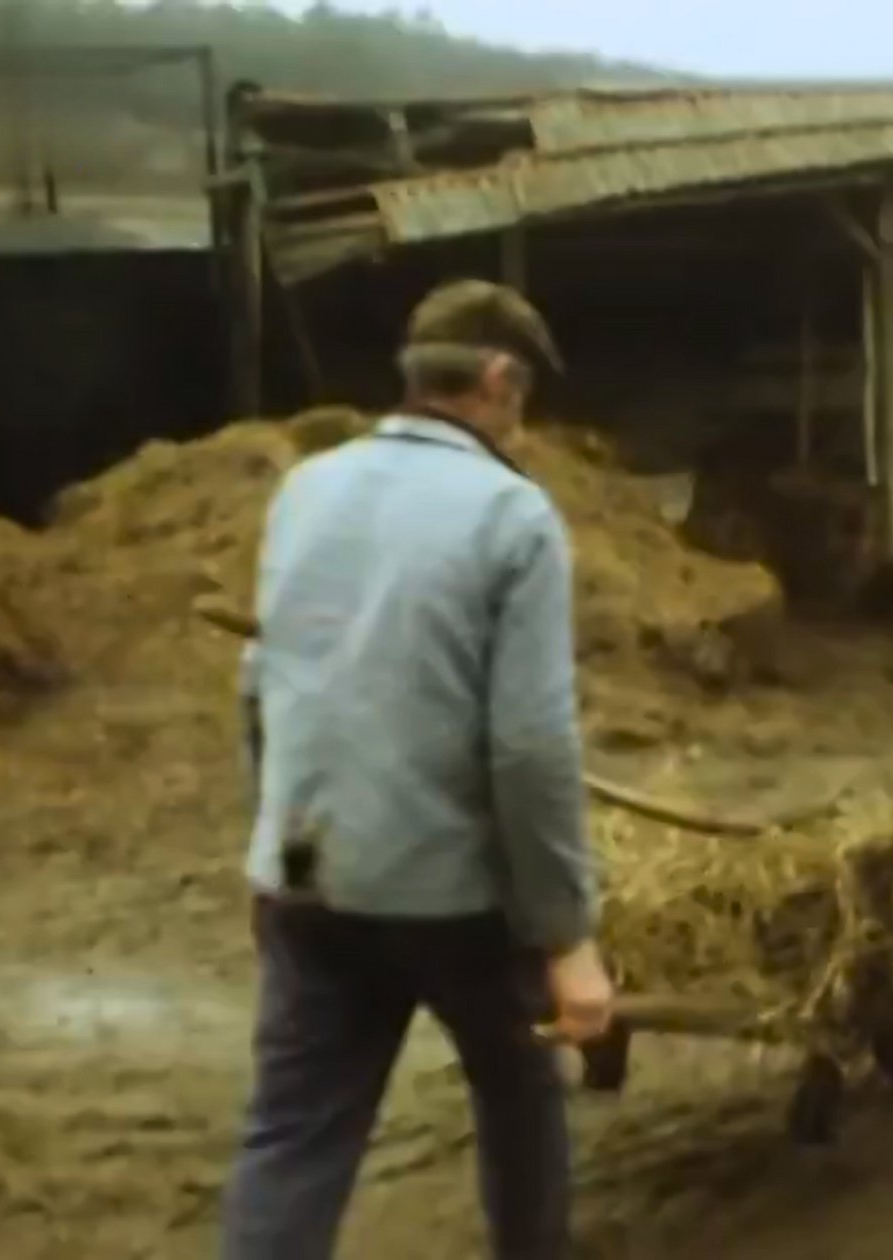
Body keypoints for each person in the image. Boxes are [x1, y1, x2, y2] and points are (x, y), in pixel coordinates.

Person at [222, 280, 614, 1260]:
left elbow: (261, 681)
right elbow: (528, 745)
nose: (521, 423)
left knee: (292, 1135)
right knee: (521, 1093)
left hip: (308, 879)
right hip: (453, 902)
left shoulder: (304, 489)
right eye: (520, 398)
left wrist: (270, 850)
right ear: (496, 380)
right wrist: (566, 935)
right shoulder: (512, 516)